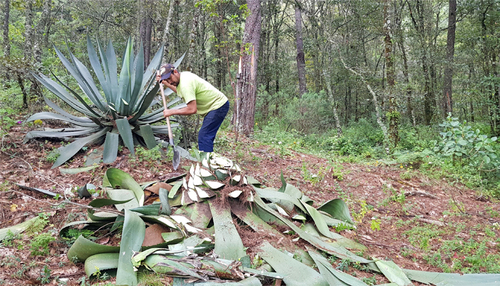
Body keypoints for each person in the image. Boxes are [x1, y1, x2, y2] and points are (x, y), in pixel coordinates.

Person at [157, 64, 229, 152]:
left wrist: (171, 112)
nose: (170, 82)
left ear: (175, 71)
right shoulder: (183, 77)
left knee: (204, 135)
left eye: (169, 78)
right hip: (214, 106)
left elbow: (192, 109)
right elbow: (181, 92)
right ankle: (208, 158)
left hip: (218, 105)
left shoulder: (186, 84)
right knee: (206, 135)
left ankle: (206, 161)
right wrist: (165, 83)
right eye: (166, 80)